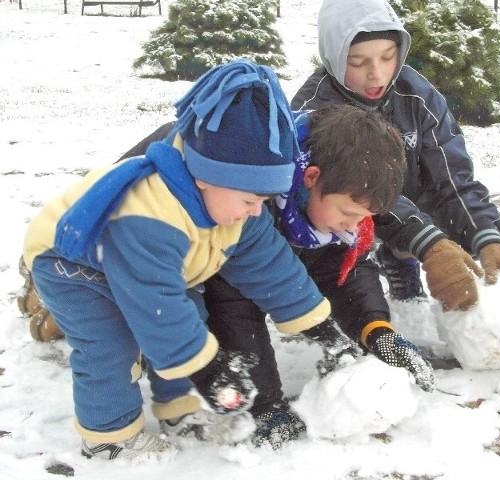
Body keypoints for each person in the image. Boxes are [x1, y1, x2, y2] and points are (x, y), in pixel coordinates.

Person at [18, 103, 439, 450]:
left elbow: (274, 270)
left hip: (168, 266)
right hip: (76, 265)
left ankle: (176, 410)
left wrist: (328, 332)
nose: (260, 210)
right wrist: (212, 372)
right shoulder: (157, 218)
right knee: (114, 345)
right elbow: (162, 310)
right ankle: (111, 440)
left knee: (191, 315)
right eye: (253, 201)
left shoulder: (242, 197)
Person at [291, 0, 500, 309]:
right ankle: (343, 297)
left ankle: (398, 257)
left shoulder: (416, 94)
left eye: (387, 57)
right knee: (337, 231)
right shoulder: (315, 111)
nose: (377, 74)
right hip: (345, 214)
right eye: (358, 62)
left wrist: (488, 237)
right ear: (334, 57)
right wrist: (429, 244)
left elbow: (452, 176)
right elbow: (351, 195)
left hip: (410, 198)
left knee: (457, 220)